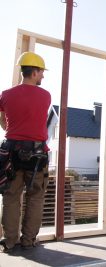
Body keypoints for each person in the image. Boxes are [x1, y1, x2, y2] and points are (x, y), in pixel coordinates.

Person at [0, 52, 51, 253]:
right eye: (41, 73)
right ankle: (29, 241)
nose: (43, 77)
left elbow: (3, 118)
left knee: (11, 196)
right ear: (35, 72)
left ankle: (10, 241)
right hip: (36, 154)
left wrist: (9, 129)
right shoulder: (45, 95)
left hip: (11, 151)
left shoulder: (5, 94)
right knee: (35, 196)